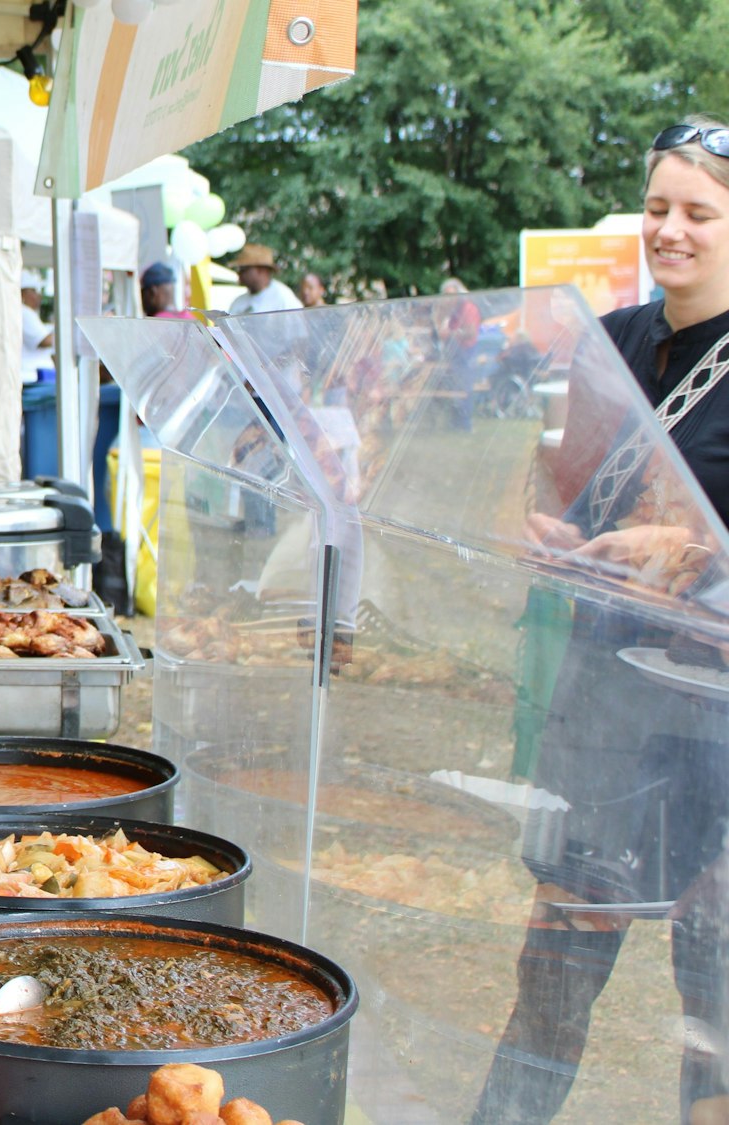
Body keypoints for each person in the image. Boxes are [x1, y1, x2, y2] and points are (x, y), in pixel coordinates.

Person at [475, 116, 729, 1124]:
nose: (670, 230)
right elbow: (561, 486)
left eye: (699, 212)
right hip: (604, 713)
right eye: (657, 207)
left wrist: (696, 554)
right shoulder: (612, 343)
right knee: (551, 979)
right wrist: (543, 527)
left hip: (716, 725)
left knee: (713, 993)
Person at [224, 244, 303, 314]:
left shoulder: (283, 298)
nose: (239, 273)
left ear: (261, 270)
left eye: (243, 269)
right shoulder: (238, 302)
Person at [21, 268, 56, 382]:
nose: (38, 296)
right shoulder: (24, 312)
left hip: (39, 375)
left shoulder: (27, 313)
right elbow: (44, 341)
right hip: (33, 376)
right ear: (22, 293)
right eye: (34, 291)